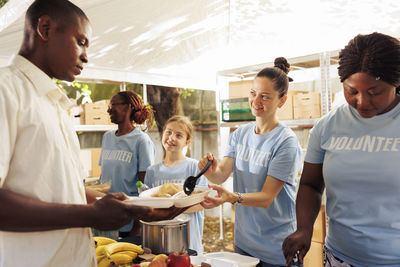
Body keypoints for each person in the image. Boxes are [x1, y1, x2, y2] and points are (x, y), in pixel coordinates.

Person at [0, 1, 185, 266]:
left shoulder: (54, 104)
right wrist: (88, 215)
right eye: (81, 42)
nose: (86, 56)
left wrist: (129, 206)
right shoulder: (6, 89)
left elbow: (61, 191)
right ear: (45, 29)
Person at [282, 32, 400, 267]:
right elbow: (310, 184)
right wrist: (304, 229)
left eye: (374, 91)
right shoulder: (328, 126)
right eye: (351, 91)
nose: (362, 102)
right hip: (339, 258)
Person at [199, 57, 302, 266]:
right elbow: (221, 174)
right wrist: (209, 171)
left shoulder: (286, 142)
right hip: (244, 244)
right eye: (253, 93)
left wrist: (232, 197)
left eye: (265, 96)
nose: (256, 101)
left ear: (282, 101)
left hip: (277, 249)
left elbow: (266, 197)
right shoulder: (240, 134)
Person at [144, 115, 208, 254]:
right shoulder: (152, 171)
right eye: (169, 132)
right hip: (159, 240)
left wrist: (168, 206)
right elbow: (146, 203)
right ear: (162, 134)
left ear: (187, 141)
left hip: (188, 240)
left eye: (179, 135)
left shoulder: (194, 168)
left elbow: (202, 203)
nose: (171, 138)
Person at [100, 90, 155, 237]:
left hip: (128, 221)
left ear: (128, 107)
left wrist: (137, 225)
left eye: (113, 105)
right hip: (105, 217)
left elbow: (145, 186)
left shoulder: (141, 141)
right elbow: (103, 178)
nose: (108, 109)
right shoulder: (107, 137)